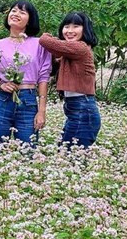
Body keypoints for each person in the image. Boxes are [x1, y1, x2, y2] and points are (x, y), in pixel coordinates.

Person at [0, 0, 51, 145]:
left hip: (28, 100)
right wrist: (1, 85)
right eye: (14, 10)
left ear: (30, 20)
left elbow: (43, 77)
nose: (16, 14)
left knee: (28, 150)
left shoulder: (40, 44)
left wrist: (41, 111)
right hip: (2, 100)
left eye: (22, 12)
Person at [39, 11, 101, 148]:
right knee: (68, 154)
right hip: (76, 109)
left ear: (85, 30)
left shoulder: (81, 47)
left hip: (83, 110)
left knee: (71, 155)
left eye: (76, 26)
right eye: (66, 26)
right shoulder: (69, 53)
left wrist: (46, 35)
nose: (70, 31)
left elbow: (45, 41)